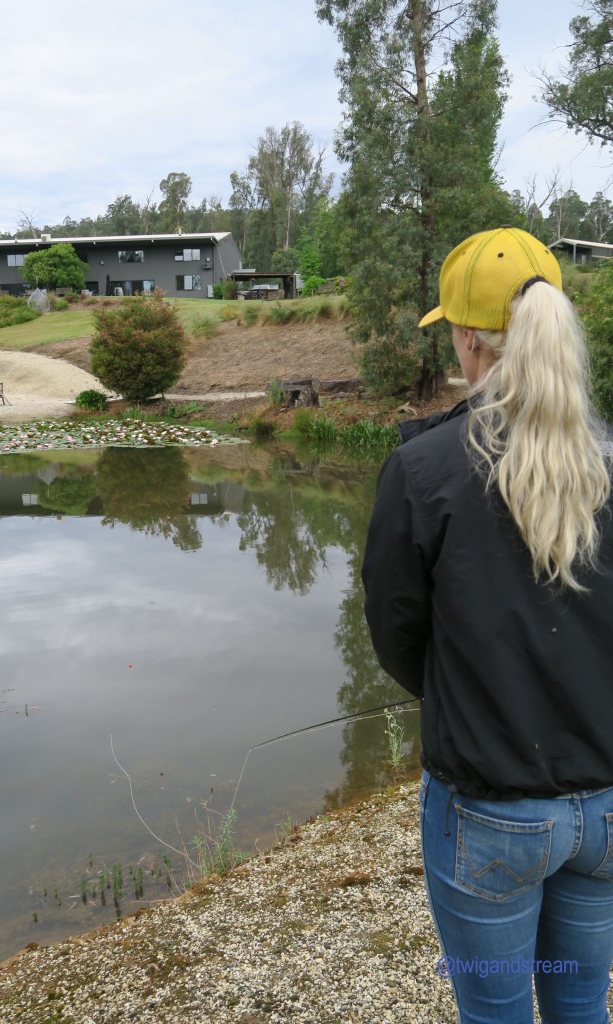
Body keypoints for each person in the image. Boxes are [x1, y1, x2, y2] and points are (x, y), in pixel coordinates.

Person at [361, 226, 613, 1024]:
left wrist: (468, 694)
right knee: (579, 1004)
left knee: (494, 1013)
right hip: (606, 811)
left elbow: (396, 635)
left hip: (487, 816)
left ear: (468, 339)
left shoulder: (422, 469)